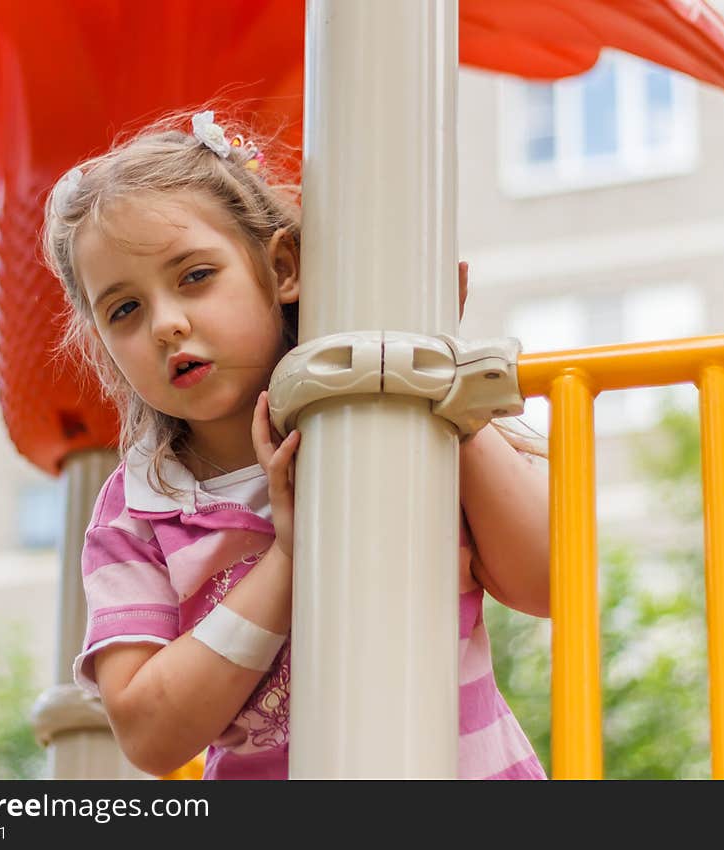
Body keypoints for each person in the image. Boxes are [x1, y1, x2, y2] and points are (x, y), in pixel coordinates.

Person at [42, 108, 550, 780]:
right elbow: (149, 733)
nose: (166, 323)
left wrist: (436, 380)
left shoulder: (400, 416)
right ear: (106, 349)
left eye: (195, 275)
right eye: (125, 310)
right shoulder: (140, 512)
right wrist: (288, 556)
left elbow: (549, 580)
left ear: (282, 267)